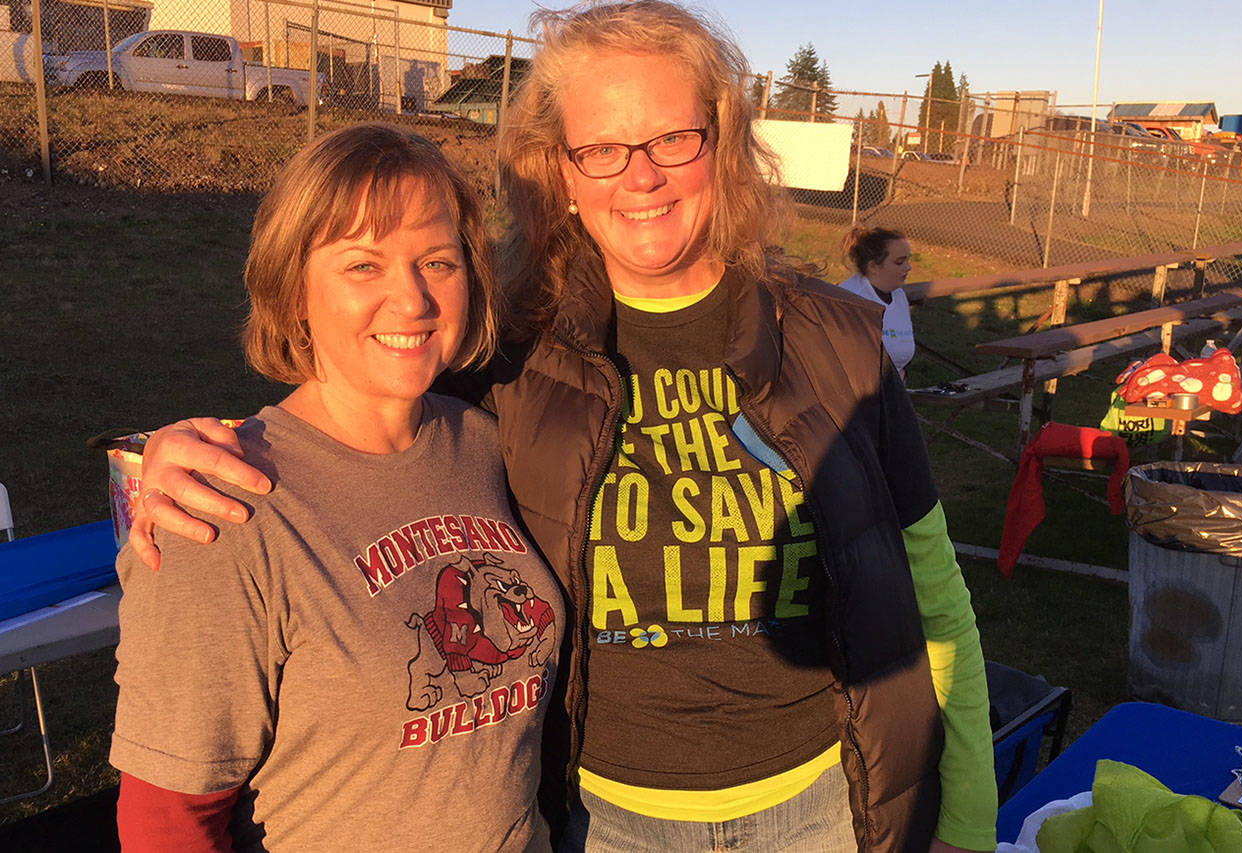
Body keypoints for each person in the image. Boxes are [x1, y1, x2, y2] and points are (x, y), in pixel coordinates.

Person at [128, 3, 996, 851]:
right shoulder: (509, 360)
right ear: (562, 173)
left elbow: (936, 599)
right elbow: (355, 401)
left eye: (672, 139)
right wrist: (170, 456)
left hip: (820, 809)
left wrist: (966, 823)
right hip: (598, 821)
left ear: (721, 145)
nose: (641, 175)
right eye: (604, 149)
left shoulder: (838, 343)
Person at [111, 123, 563, 852]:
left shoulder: (483, 443)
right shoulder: (222, 509)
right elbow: (167, 822)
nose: (412, 298)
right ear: (294, 291)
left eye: (438, 262)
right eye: (363, 265)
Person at [838, 226, 915, 377]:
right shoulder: (851, 299)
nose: (909, 267)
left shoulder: (898, 295)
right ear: (873, 266)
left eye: (908, 260)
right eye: (899, 262)